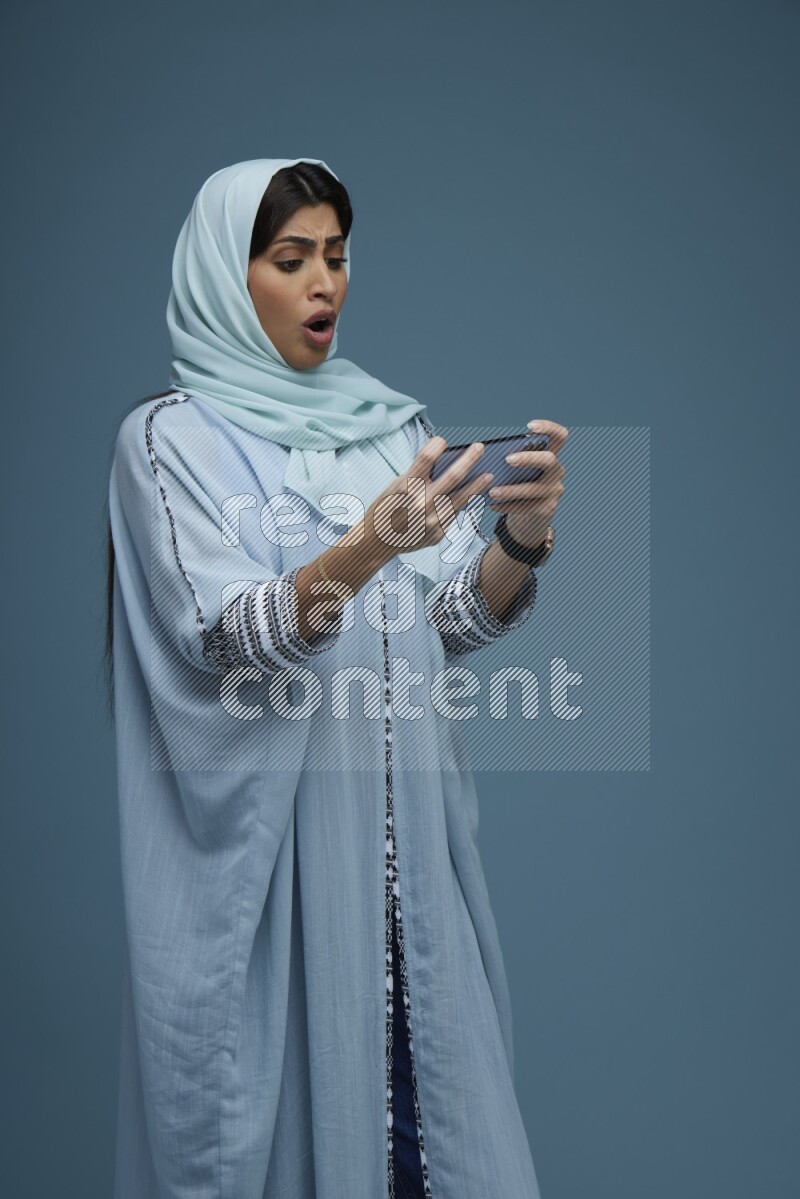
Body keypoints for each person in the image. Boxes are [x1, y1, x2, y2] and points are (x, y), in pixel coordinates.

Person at [105, 157, 567, 1199]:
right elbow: (229, 635)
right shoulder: (168, 442)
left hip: (410, 880)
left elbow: (446, 617)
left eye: (337, 256)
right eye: (289, 258)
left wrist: (521, 536)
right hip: (276, 886)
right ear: (229, 276)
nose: (325, 283)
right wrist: (365, 546)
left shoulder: (387, 430)